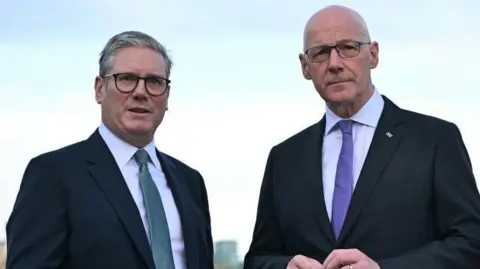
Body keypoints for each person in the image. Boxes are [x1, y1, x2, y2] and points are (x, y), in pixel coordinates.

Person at [243, 5, 480, 269]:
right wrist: (285, 266)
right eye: (321, 53)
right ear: (305, 67)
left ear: (374, 55)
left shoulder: (434, 140)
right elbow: (258, 258)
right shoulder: (285, 158)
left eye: (348, 47)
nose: (334, 64)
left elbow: (471, 244)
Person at [6, 31, 214, 269]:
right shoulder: (53, 175)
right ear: (99, 89)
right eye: (126, 78)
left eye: (154, 82)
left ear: (167, 96)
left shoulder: (190, 182)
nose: (140, 92)